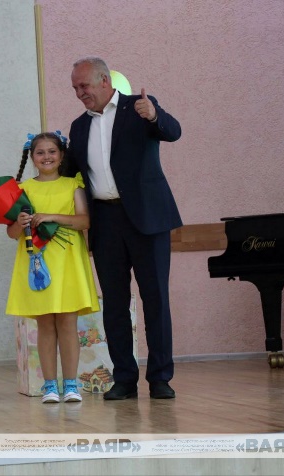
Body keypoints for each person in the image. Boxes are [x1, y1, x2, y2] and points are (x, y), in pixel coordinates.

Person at [65, 57, 182, 400]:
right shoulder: (79, 126)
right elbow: (70, 172)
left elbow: (173, 132)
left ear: (104, 81)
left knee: (155, 299)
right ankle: (125, 379)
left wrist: (155, 115)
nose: (79, 93)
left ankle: (160, 377)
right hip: (105, 221)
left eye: (84, 86)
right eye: (75, 88)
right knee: (114, 304)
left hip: (148, 218)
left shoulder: (139, 107)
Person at [6, 132, 100, 404]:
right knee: (45, 324)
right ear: (32, 157)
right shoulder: (22, 189)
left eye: (52, 152)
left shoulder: (73, 184)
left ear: (61, 155)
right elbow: (11, 234)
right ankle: (49, 386)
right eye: (40, 152)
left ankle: (70, 384)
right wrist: (20, 223)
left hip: (68, 261)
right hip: (37, 262)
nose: (46, 157)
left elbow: (84, 221)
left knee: (68, 322)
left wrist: (51, 217)